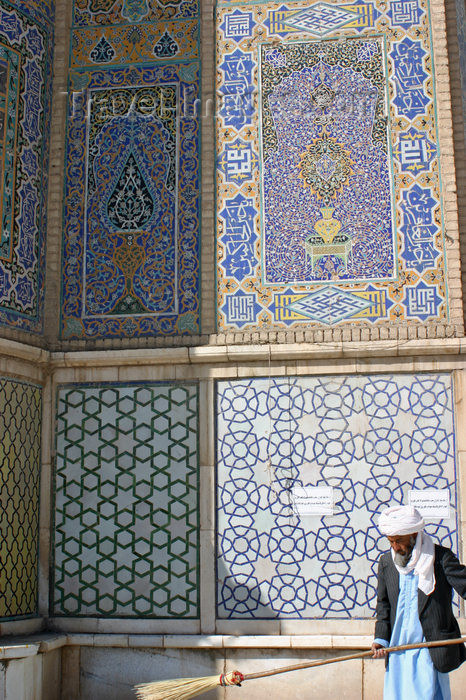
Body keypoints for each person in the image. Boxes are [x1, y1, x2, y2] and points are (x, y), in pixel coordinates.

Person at [372, 504, 466, 699]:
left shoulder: (439, 559)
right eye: (391, 541)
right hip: (398, 650)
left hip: (429, 649)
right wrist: (381, 639)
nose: (395, 547)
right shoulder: (387, 563)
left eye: (399, 541)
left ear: (414, 534)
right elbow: (384, 605)